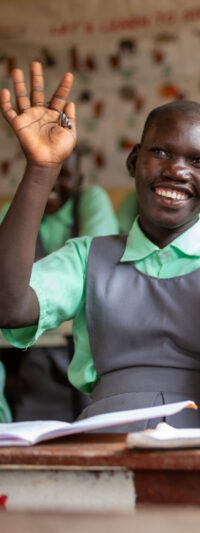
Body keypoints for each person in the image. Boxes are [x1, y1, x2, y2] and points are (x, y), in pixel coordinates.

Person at [0, 62, 200, 431]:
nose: (176, 171)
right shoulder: (87, 257)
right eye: (161, 152)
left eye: (198, 161)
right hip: (106, 445)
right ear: (134, 161)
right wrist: (41, 168)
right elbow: (9, 306)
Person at [0, 148, 118, 421]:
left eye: (63, 175)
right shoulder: (11, 209)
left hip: (85, 341)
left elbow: (97, 262)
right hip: (28, 348)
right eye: (47, 173)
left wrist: (23, 267)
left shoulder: (91, 199)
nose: (52, 183)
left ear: (79, 180)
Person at [117, 186, 200, 234]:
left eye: (198, 161)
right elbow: (121, 235)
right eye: (159, 153)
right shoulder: (136, 195)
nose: (176, 170)